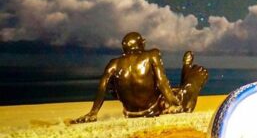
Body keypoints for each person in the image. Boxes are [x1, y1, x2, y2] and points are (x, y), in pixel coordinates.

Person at [71, 32, 207, 122]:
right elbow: (161, 81)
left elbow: (102, 86)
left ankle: (186, 71)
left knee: (177, 90)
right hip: (154, 109)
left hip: (131, 113)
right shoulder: (151, 55)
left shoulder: (114, 63)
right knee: (195, 79)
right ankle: (186, 69)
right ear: (140, 43)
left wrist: (93, 112)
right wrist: (173, 103)